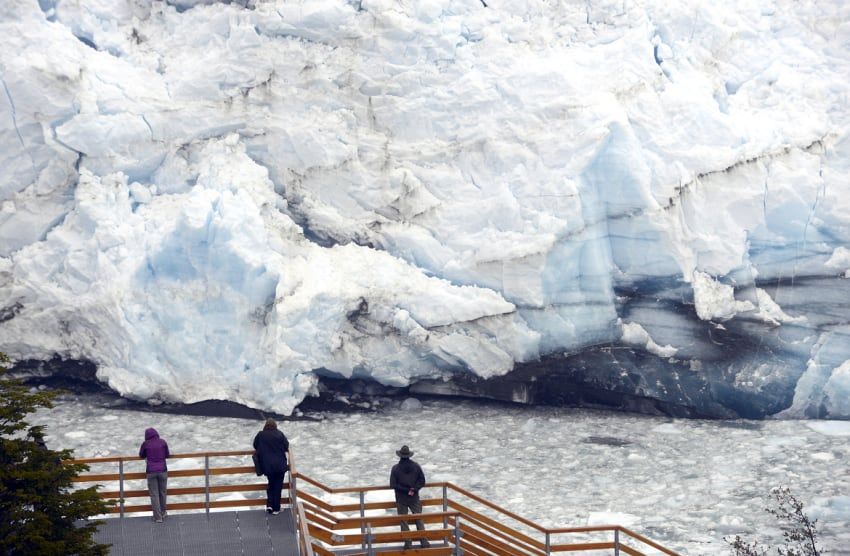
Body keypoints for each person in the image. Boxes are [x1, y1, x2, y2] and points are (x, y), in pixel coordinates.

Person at [389, 445, 430, 549]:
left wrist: (405, 490)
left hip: (401, 498)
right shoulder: (416, 466)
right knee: (418, 518)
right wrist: (413, 489)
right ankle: (424, 541)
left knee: (404, 521)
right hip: (414, 497)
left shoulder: (395, 468)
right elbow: (422, 481)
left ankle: (408, 543)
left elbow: (393, 484)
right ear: (409, 455)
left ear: (400, 456)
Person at [253, 418, 289, 515]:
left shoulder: (260, 434)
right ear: (275, 425)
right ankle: (276, 508)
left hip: (268, 465)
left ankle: (269, 505)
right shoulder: (280, 434)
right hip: (280, 465)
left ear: (265, 425)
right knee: (278, 486)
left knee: (271, 485)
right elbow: (286, 446)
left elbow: (255, 445)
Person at [139, 427, 169, 523]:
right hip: (163, 471)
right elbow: (167, 454)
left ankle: (158, 517)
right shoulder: (163, 442)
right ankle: (163, 513)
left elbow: (141, 455)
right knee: (162, 492)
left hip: (151, 472)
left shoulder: (146, 444)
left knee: (154, 495)